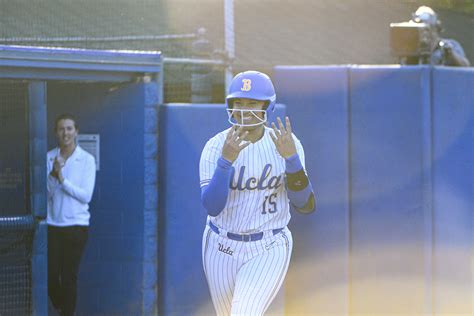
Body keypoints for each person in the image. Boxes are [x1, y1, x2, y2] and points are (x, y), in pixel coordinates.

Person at [199, 71, 316, 315]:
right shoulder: (215, 146)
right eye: (238, 103)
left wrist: (292, 160)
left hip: (269, 244)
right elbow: (212, 206)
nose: (244, 110)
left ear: (267, 106)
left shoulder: (285, 142)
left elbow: (305, 205)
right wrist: (225, 162)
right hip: (221, 245)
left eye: (252, 103)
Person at [47, 113, 96, 316]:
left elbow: (86, 196)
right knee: (50, 276)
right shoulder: (50, 157)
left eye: (69, 128)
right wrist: (53, 173)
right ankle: (60, 305)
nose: (65, 132)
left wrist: (62, 179)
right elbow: (47, 192)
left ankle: (67, 314)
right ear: (56, 133)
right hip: (53, 225)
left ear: (76, 132)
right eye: (61, 129)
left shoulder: (87, 159)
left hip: (77, 227)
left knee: (69, 276)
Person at [405, 5, 470, 66]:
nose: (425, 34)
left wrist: (450, 53)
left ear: (436, 29)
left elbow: (465, 66)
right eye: (421, 30)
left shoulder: (450, 45)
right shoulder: (408, 48)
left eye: (428, 29)